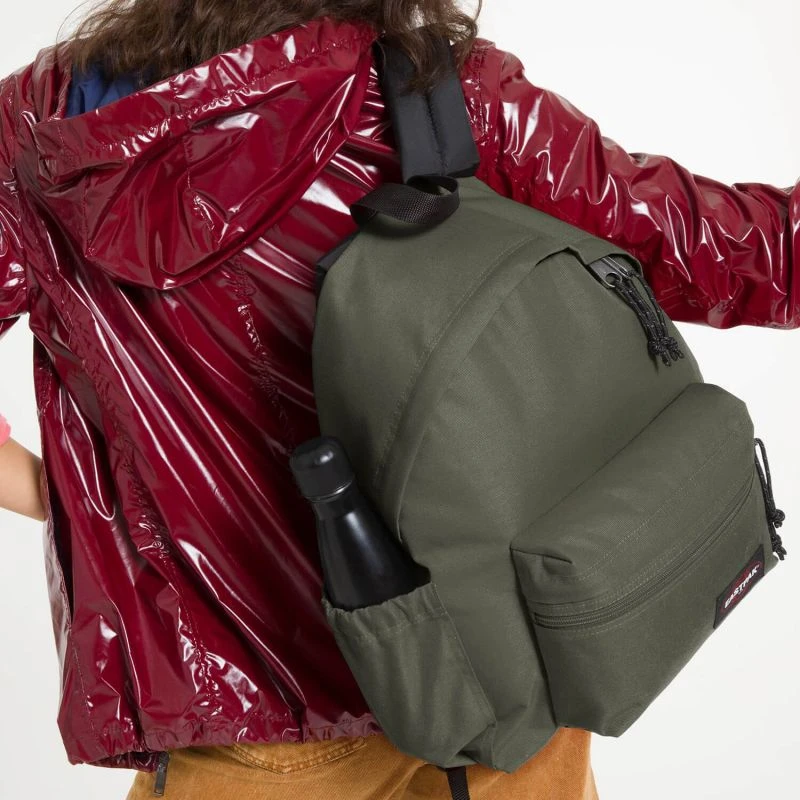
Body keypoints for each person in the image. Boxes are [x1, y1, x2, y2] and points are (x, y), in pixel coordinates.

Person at [0, 1, 797, 798]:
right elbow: (720, 250)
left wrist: (69, 495)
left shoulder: (42, 141)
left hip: (249, 711)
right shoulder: (437, 91)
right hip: (501, 670)